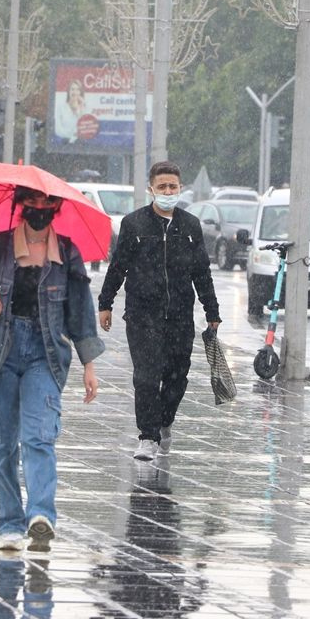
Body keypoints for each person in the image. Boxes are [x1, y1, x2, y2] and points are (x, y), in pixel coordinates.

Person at [0, 186, 103, 553]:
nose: (39, 211)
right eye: (32, 204)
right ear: (19, 207)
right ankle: (9, 523)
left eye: (46, 205)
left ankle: (41, 515)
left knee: (39, 435)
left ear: (57, 209)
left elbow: (81, 313)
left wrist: (89, 365)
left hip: (46, 353)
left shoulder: (68, 253)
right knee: (3, 443)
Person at [98, 161, 220, 462]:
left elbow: (202, 272)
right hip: (142, 316)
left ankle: (165, 421)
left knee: (177, 377)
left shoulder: (190, 226)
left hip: (179, 316)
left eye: (173, 187)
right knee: (146, 377)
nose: (168, 192)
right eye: (162, 186)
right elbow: (118, 267)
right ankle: (148, 437)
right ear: (151, 189)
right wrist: (106, 302)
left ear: (180, 189)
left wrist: (212, 311)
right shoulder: (134, 224)